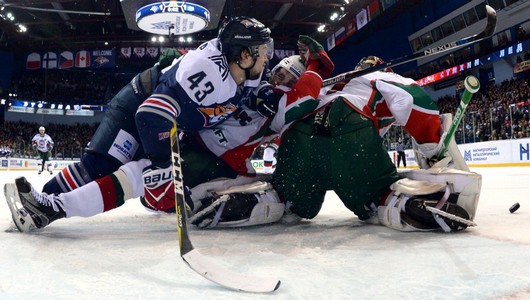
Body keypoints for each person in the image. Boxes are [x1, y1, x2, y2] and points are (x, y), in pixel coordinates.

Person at [4, 35, 334, 232]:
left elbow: (303, 99)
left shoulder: (280, 105)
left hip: (215, 162)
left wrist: (317, 66)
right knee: (109, 165)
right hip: (191, 143)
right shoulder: (249, 83)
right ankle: (48, 204)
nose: (277, 81)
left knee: (138, 173)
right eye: (277, 72)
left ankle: (51, 208)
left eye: (288, 79)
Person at [272, 55, 481, 232]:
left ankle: (270, 201)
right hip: (347, 128)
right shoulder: (381, 76)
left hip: (297, 138)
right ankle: (403, 204)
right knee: (379, 195)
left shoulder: (330, 84)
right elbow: (410, 99)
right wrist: (433, 147)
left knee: (295, 201)